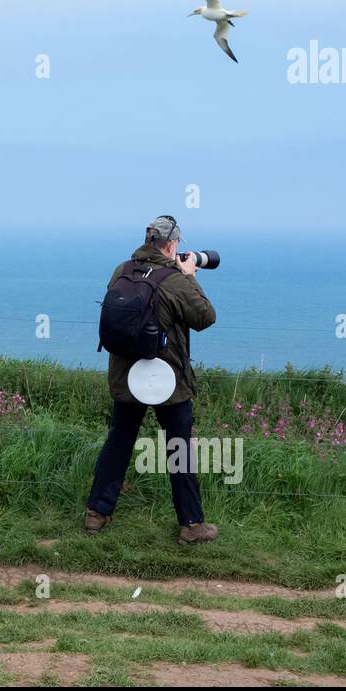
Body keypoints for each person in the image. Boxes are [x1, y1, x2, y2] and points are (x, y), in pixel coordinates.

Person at [85, 215, 218, 544]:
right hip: (165, 379)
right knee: (179, 447)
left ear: (148, 240)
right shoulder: (174, 280)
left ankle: (96, 514)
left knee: (119, 440)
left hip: (126, 375)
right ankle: (191, 525)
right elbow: (205, 317)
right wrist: (189, 277)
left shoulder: (122, 270)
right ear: (172, 245)